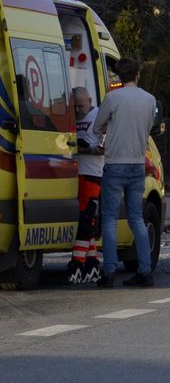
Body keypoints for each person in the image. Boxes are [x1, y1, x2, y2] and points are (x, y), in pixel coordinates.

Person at [93, 58, 157, 288]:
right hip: (138, 164)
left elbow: (97, 126)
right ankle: (145, 270)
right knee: (137, 219)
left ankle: (109, 271)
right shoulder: (150, 100)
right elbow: (148, 127)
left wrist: (107, 132)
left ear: (119, 76)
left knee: (109, 219)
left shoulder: (112, 98)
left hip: (114, 163)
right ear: (137, 74)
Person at [67, 87, 104, 284]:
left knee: (85, 218)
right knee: (87, 220)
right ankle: (92, 264)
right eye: (75, 106)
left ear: (90, 100)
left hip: (92, 173)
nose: (78, 109)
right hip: (76, 173)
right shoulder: (75, 118)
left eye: (81, 105)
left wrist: (84, 148)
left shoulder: (98, 116)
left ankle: (77, 264)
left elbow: (104, 147)